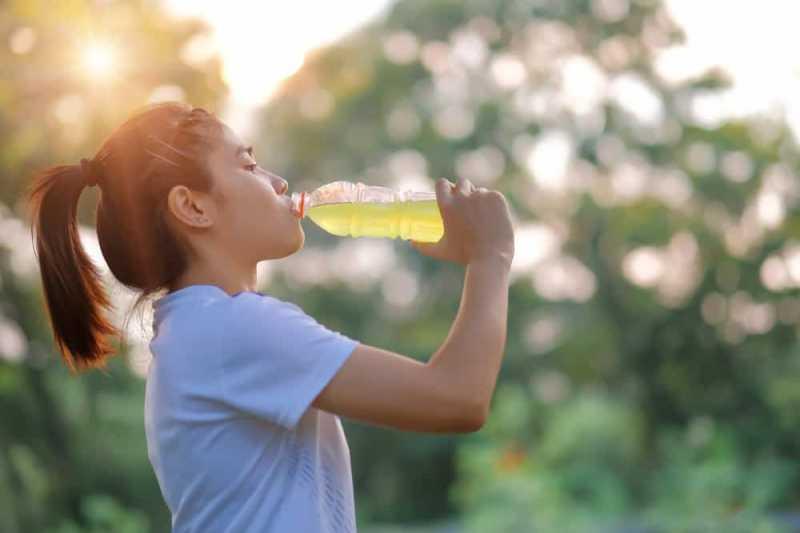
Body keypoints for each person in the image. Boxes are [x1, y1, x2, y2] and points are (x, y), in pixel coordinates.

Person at [27, 101, 515, 532]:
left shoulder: (200, 331)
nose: (278, 182)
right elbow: (456, 398)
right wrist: (491, 258)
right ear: (193, 206)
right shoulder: (228, 329)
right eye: (250, 165)